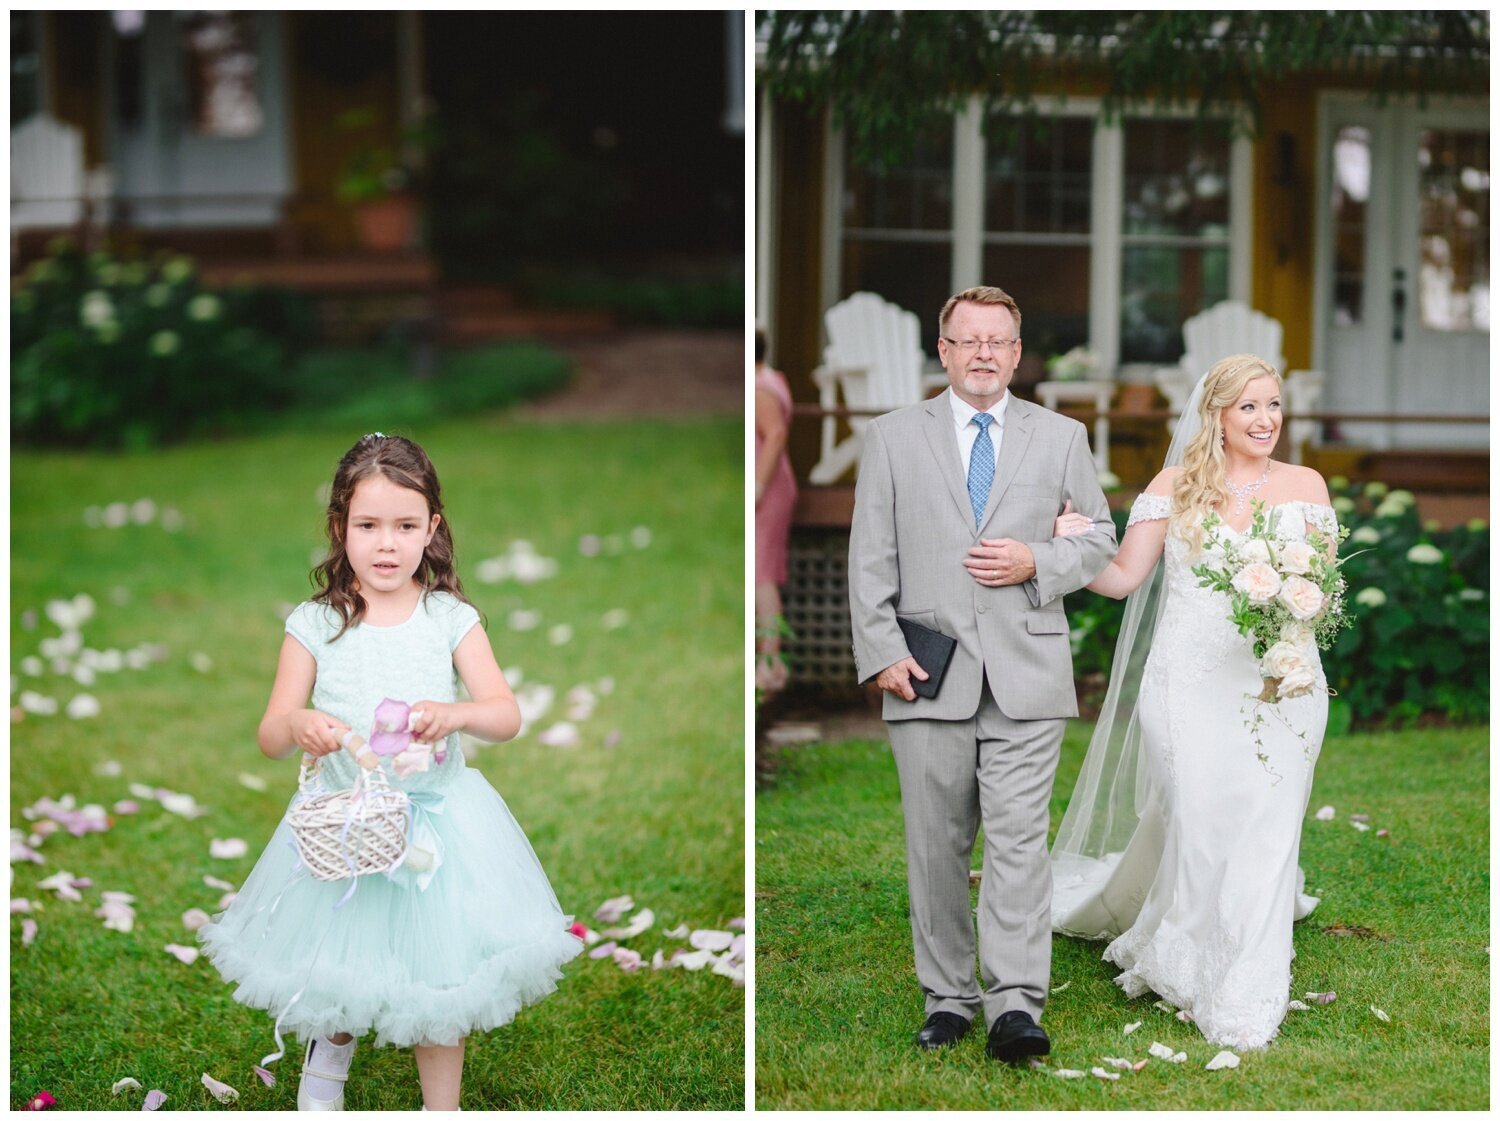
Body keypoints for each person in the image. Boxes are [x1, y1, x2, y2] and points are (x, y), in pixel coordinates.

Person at [200, 434, 583, 1111]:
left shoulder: (449, 619)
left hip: (439, 823)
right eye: (368, 525)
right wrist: (297, 724)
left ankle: (444, 1104)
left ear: (432, 527)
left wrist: (457, 713)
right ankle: (323, 1081)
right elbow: (270, 733)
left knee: (440, 976)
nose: (386, 544)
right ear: (339, 526)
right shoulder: (315, 625)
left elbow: (505, 713)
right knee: (338, 963)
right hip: (345, 827)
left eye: (405, 526)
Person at [847, 286, 1117, 1061]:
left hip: (1028, 669)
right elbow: (871, 557)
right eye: (968, 341)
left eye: (998, 341)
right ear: (944, 351)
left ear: (1018, 351)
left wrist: (1040, 558)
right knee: (935, 843)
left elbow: (1100, 536)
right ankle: (948, 997)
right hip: (926, 669)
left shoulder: (1062, 436)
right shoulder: (894, 437)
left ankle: (1014, 1004)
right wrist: (881, 649)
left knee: (1019, 842)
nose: (984, 354)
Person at [1048, 354, 1335, 1051]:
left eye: (1273, 405)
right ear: (1216, 415)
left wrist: (1295, 634)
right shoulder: (1174, 487)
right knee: (1201, 820)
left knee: (1267, 823)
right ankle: (1187, 949)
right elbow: (1121, 579)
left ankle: (1243, 981)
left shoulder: (1307, 485)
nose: (1266, 419)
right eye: (1249, 407)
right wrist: (1070, 545)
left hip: (1282, 685)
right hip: (1184, 683)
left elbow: (1322, 589)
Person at [755, 327, 797, 695]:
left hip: (768, 488)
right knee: (762, 571)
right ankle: (767, 658)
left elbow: (776, 435)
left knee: (761, 574)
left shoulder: (759, 389)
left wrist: (756, 488)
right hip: (777, 486)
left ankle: (769, 661)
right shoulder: (772, 377)